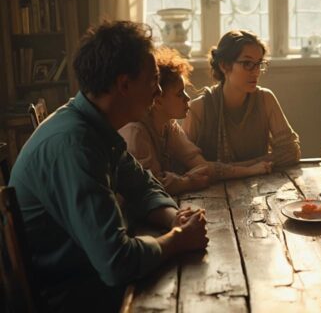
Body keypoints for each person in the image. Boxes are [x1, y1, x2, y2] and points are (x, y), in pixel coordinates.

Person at [9, 21, 209, 312]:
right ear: (124, 84)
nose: (157, 91)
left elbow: (143, 186)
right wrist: (178, 239)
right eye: (153, 80)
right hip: (70, 295)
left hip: (89, 275)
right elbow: (118, 263)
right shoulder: (76, 145)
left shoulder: (94, 126)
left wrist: (175, 218)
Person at [119, 47, 272, 195]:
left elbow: (200, 165)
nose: (187, 98)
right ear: (158, 99)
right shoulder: (136, 131)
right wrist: (188, 181)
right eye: (179, 94)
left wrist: (250, 170)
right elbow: (150, 188)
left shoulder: (169, 125)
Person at [182, 30, 301, 168]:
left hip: (261, 185)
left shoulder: (265, 99)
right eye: (247, 63)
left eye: (259, 64)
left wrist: (241, 168)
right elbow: (185, 163)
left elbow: (291, 151)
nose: (256, 72)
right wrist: (251, 168)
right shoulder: (198, 109)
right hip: (215, 189)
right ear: (224, 65)